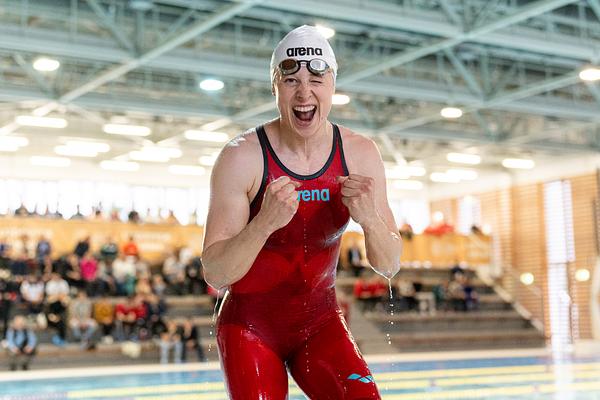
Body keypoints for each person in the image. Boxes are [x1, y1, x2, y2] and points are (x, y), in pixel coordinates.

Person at [202, 25, 401, 399]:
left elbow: (389, 265)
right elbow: (216, 272)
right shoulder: (242, 157)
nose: (304, 93)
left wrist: (370, 220)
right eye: (291, 80)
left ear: (332, 85)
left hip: (321, 325)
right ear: (275, 87)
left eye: (316, 80)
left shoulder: (359, 154)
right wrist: (263, 224)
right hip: (250, 329)